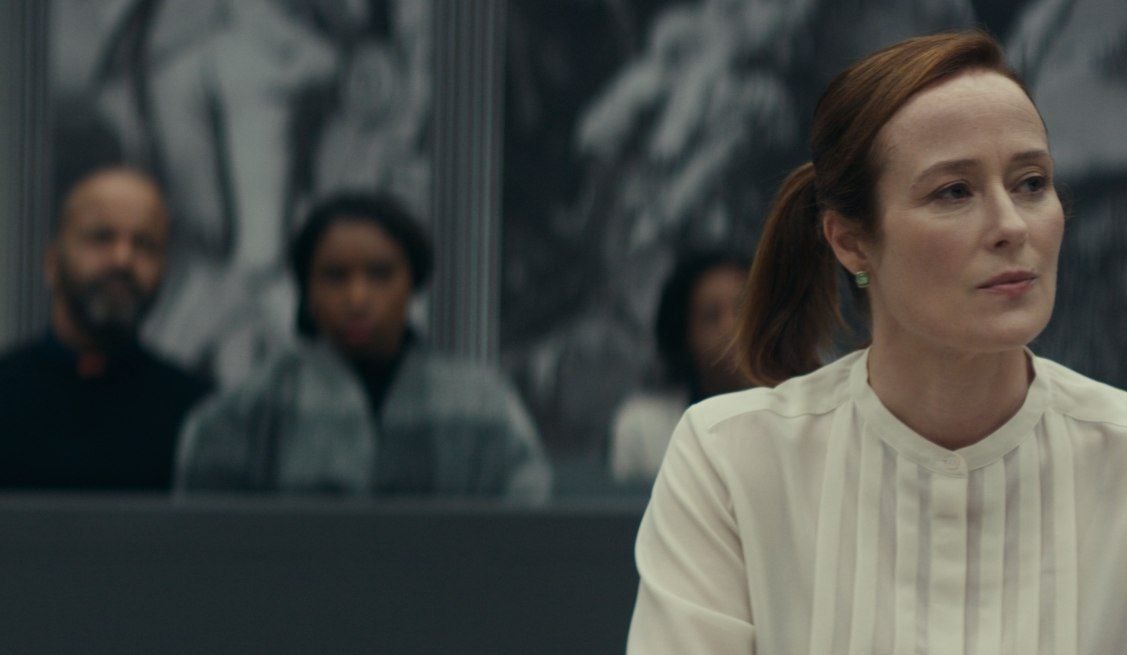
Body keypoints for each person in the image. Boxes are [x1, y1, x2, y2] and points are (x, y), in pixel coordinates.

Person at [620, 31, 1127, 655]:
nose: (1010, 225)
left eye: (1031, 183)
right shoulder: (729, 460)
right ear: (850, 240)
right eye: (954, 191)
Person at [176, 193, 551, 502]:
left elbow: (524, 530)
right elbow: (210, 541)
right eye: (335, 276)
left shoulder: (482, 405)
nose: (357, 298)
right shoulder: (249, 410)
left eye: (380, 274)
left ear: (413, 282)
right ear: (307, 290)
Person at [0, 166, 212, 490]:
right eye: (101, 237)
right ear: (52, 262)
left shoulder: (198, 415)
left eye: (145, 244)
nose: (123, 259)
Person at [610, 250, 752, 485]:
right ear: (683, 334)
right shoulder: (642, 427)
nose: (731, 329)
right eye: (711, 316)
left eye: (743, 311)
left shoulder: (797, 423)